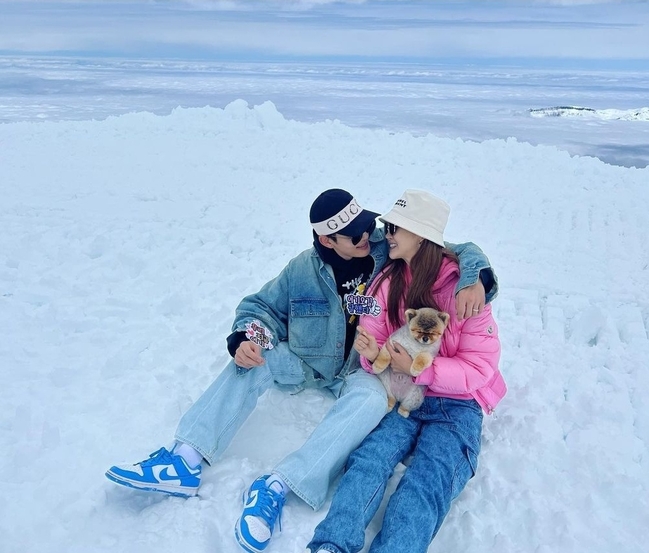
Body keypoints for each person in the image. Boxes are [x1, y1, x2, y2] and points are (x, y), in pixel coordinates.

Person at [105, 188, 498, 553]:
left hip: (362, 368)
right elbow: (261, 308)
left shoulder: (385, 251)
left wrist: (476, 277)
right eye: (355, 233)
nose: (368, 235)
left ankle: (280, 484)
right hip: (310, 364)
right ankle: (185, 457)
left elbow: (452, 249)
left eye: (368, 224)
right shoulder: (301, 271)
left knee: (369, 402)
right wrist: (246, 337)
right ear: (327, 240)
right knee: (251, 360)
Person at [306, 189, 506, 553]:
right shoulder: (389, 279)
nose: (387, 234)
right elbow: (378, 338)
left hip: (456, 406)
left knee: (426, 483)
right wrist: (373, 354)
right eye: (387, 226)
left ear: (422, 236)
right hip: (402, 394)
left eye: (395, 227)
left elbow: (479, 367)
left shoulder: (465, 290)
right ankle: (331, 545)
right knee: (368, 461)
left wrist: (419, 370)